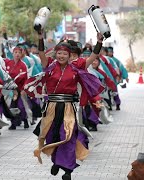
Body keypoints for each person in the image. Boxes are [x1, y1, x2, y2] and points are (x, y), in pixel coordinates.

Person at [27, 29, 104, 180]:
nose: (62, 56)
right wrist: (40, 37)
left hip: (68, 107)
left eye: (65, 54)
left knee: (68, 136)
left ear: (70, 56)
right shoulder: (48, 66)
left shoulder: (76, 67)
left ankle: (68, 169)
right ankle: (57, 162)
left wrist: (99, 42)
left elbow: (93, 57)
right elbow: (41, 52)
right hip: (51, 108)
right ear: (55, 54)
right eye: (59, 53)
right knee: (51, 136)